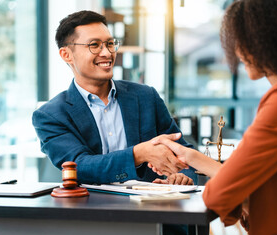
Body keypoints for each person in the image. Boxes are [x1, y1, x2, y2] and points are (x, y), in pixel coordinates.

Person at [151, 0, 277, 235]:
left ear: (270, 39)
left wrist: (236, 192)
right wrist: (191, 157)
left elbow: (219, 194)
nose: (237, 52)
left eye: (241, 39)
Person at [32, 10, 196, 186]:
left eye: (110, 43)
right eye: (94, 45)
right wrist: (138, 154)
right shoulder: (50, 115)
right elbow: (78, 166)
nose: (107, 53)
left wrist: (180, 177)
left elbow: (184, 154)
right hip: (89, 209)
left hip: (149, 208)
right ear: (66, 54)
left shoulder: (146, 97)